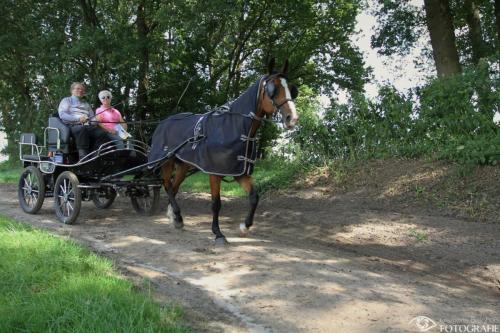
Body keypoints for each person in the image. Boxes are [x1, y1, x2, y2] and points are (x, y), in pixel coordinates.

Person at [58, 82, 109, 159]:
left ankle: (95, 155)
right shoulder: (66, 100)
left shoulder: (86, 104)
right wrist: (78, 119)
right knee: (82, 129)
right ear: (72, 90)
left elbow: (92, 118)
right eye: (78, 88)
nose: (81, 90)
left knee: (102, 133)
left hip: (87, 125)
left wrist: (96, 120)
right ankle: (83, 156)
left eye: (82, 89)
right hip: (72, 126)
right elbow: (63, 115)